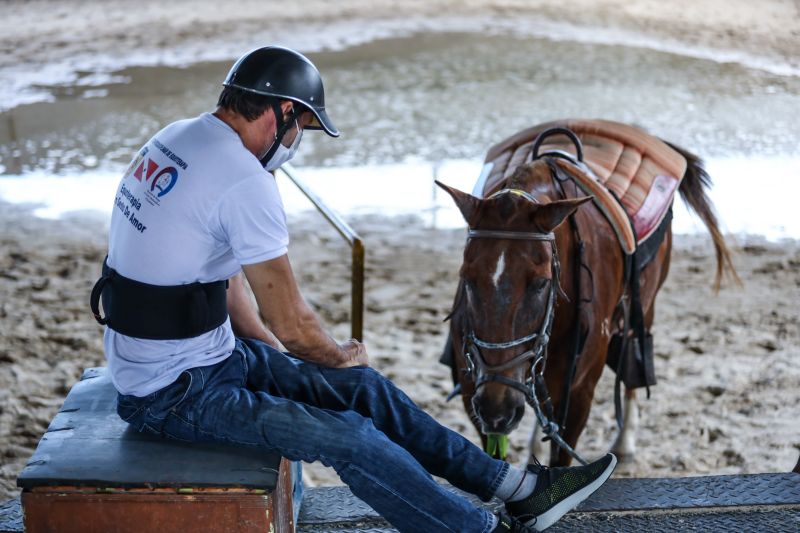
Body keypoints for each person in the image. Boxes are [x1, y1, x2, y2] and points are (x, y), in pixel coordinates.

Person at [91, 45, 616, 532]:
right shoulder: (243, 180)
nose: (295, 144)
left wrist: (284, 369)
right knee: (352, 438)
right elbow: (293, 324)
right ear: (282, 113)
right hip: (170, 396)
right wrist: (335, 357)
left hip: (204, 359)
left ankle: (517, 486)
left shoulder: (181, 137)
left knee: (365, 390)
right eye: (302, 129)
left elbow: (226, 282)